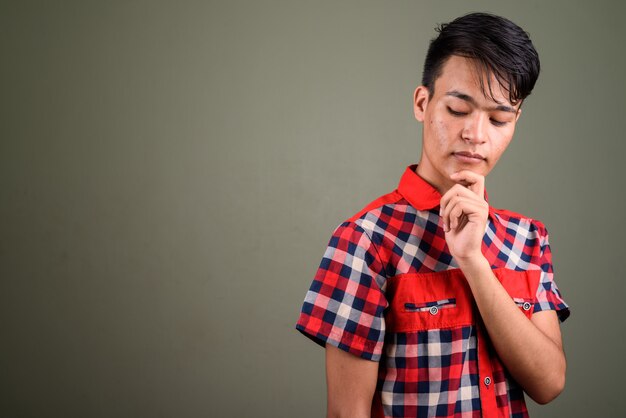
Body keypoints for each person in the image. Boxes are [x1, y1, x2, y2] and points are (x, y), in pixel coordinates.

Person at [296, 12, 570, 418]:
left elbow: (549, 384)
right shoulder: (364, 241)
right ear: (423, 103)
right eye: (459, 109)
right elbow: (345, 413)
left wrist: (474, 262)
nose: (476, 134)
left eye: (498, 119)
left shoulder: (527, 238)